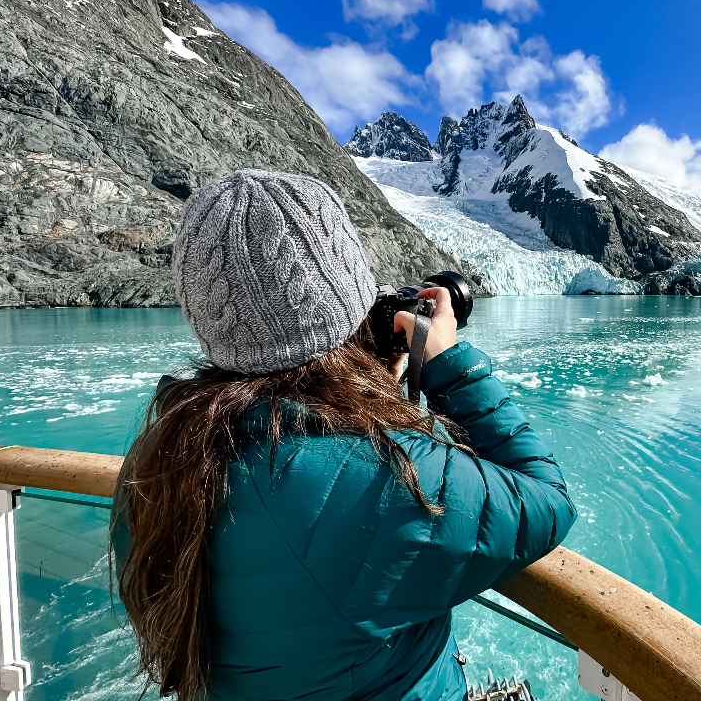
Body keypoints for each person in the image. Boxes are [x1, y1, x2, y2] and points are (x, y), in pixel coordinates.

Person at [110, 170, 576, 701]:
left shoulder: (158, 458)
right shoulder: (379, 477)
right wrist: (445, 363)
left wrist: (367, 390)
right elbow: (545, 499)